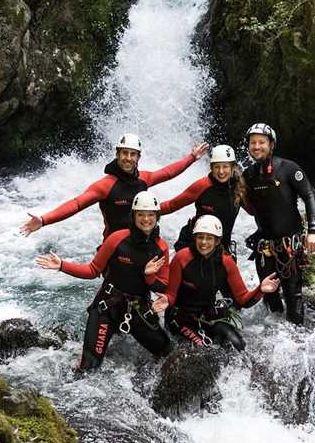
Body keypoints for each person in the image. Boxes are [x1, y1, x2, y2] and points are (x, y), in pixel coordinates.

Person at [35, 191, 172, 370]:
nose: (146, 219)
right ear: (133, 216)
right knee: (89, 367)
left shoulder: (161, 248)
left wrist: (149, 275)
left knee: (167, 352)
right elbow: (93, 270)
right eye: (141, 214)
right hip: (108, 307)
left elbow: (161, 286)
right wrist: (62, 265)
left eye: (151, 215)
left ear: (157, 217)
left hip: (137, 310)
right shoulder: (117, 239)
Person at [21, 134, 209, 240]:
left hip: (144, 240)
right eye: (124, 153)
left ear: (138, 158)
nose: (128, 158)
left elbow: (168, 173)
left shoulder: (144, 179)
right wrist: (44, 220)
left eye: (132, 154)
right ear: (117, 155)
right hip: (115, 245)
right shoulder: (105, 186)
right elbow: (76, 204)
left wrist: (192, 158)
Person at [165, 215, 280, 351]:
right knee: (204, 349)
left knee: (238, 344)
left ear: (217, 241)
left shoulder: (226, 262)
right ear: (194, 238)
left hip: (209, 317)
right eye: (200, 237)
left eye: (209, 238)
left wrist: (260, 289)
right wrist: (164, 301)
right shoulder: (182, 258)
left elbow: (243, 299)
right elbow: (171, 294)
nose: (204, 242)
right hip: (181, 319)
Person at [242, 122, 315, 325]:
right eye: (252, 143)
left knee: (293, 295)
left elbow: (309, 195)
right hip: (264, 247)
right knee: (269, 296)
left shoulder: (288, 168)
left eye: (261, 142)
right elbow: (240, 203)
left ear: (271, 144)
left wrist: (313, 230)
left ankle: (297, 340)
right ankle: (273, 339)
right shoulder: (248, 175)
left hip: (289, 245)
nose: (256, 147)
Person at [159, 144, 250, 256]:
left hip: (221, 248)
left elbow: (255, 212)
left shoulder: (240, 188)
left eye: (225, 166)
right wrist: (145, 212)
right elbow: (171, 205)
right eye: (217, 167)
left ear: (233, 167)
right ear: (211, 167)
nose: (221, 171)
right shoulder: (202, 185)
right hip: (193, 244)